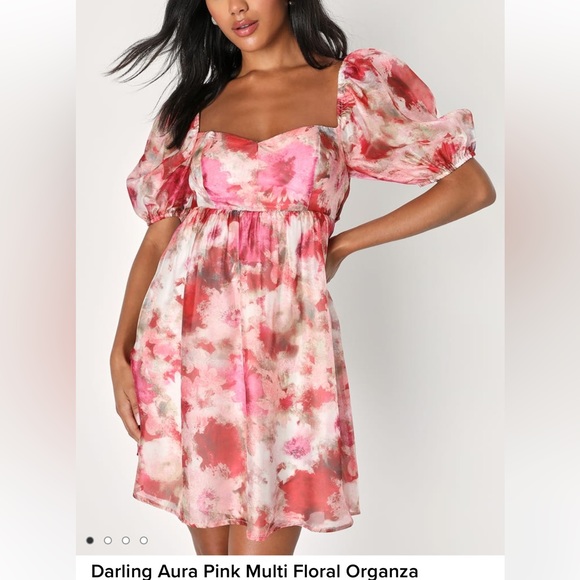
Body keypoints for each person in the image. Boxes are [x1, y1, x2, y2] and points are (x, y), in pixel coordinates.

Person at [108, 0, 496, 557]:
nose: (237, 7)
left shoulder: (348, 88)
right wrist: (119, 351)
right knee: (213, 558)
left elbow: (470, 187)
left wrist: (343, 245)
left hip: (287, 348)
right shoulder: (192, 107)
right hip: (188, 347)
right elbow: (157, 238)